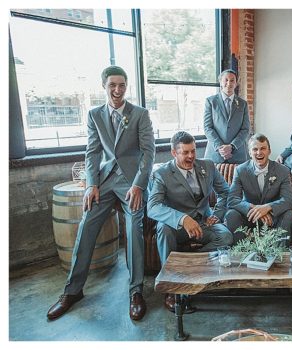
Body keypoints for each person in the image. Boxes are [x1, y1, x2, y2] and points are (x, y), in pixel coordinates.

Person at [46, 65, 154, 321]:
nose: (117, 90)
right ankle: (73, 291)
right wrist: (92, 184)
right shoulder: (94, 115)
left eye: (121, 85)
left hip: (131, 182)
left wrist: (139, 185)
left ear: (126, 86)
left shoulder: (140, 114)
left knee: (133, 227)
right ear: (104, 87)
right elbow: (92, 152)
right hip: (104, 181)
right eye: (112, 85)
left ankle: (136, 291)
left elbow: (149, 153)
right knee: (87, 223)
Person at [147, 131, 233, 312]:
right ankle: (171, 289)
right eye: (185, 152)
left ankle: (191, 266)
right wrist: (182, 219)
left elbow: (226, 192)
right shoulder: (162, 174)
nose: (191, 156)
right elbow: (153, 207)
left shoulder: (208, 166)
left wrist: (217, 213)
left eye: (193, 151)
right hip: (177, 226)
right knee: (163, 228)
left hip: (204, 223)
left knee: (226, 237)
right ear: (174, 153)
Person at [225, 133, 292, 242]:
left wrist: (267, 208)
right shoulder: (240, 170)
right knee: (231, 214)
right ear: (249, 153)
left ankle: (280, 254)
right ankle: (240, 253)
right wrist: (256, 209)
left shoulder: (283, 170)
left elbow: (289, 200)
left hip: (272, 217)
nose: (259, 153)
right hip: (250, 216)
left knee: (289, 214)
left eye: (263, 148)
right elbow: (232, 200)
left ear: (269, 151)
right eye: (255, 149)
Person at [202, 69, 250, 164]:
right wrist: (220, 147)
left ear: (236, 83)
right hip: (215, 154)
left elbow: (245, 129)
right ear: (220, 82)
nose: (229, 83)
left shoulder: (243, 104)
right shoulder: (211, 102)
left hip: (237, 154)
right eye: (226, 80)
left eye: (232, 80)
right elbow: (207, 127)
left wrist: (232, 146)